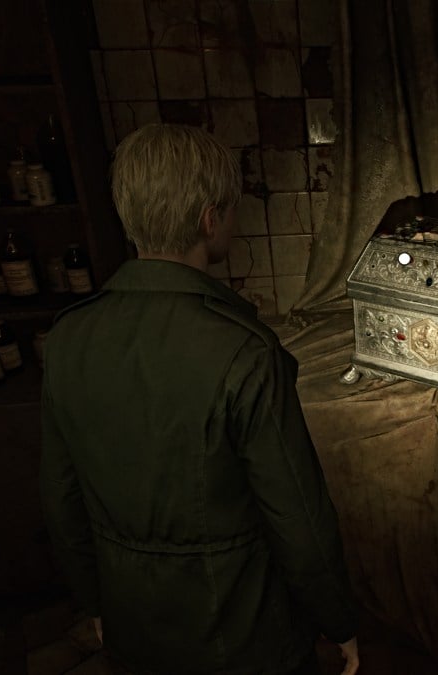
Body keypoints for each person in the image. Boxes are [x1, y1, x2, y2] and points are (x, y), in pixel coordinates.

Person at [40, 123, 359, 674]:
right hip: (246, 639)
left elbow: (61, 499)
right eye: (231, 211)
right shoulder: (245, 351)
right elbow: (298, 519)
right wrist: (339, 621)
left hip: (134, 628)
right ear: (211, 220)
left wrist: (95, 604)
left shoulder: (68, 337)